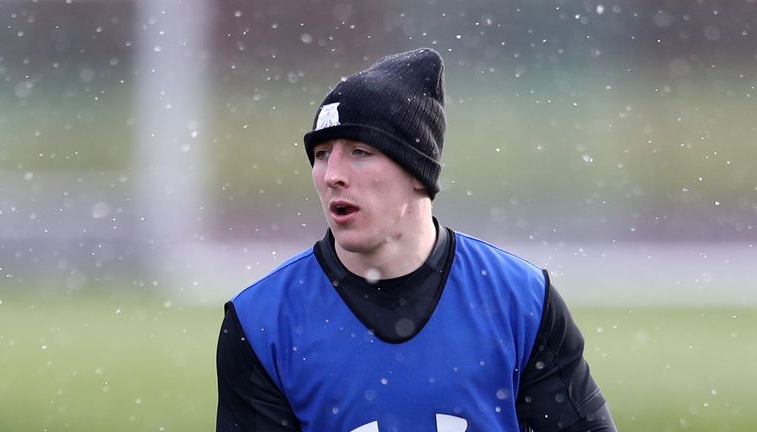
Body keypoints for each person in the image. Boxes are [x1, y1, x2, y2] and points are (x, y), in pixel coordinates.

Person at [216, 48, 617, 432]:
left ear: (417, 172)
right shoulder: (261, 323)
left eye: (359, 151)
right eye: (321, 153)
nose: (332, 173)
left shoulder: (521, 300)